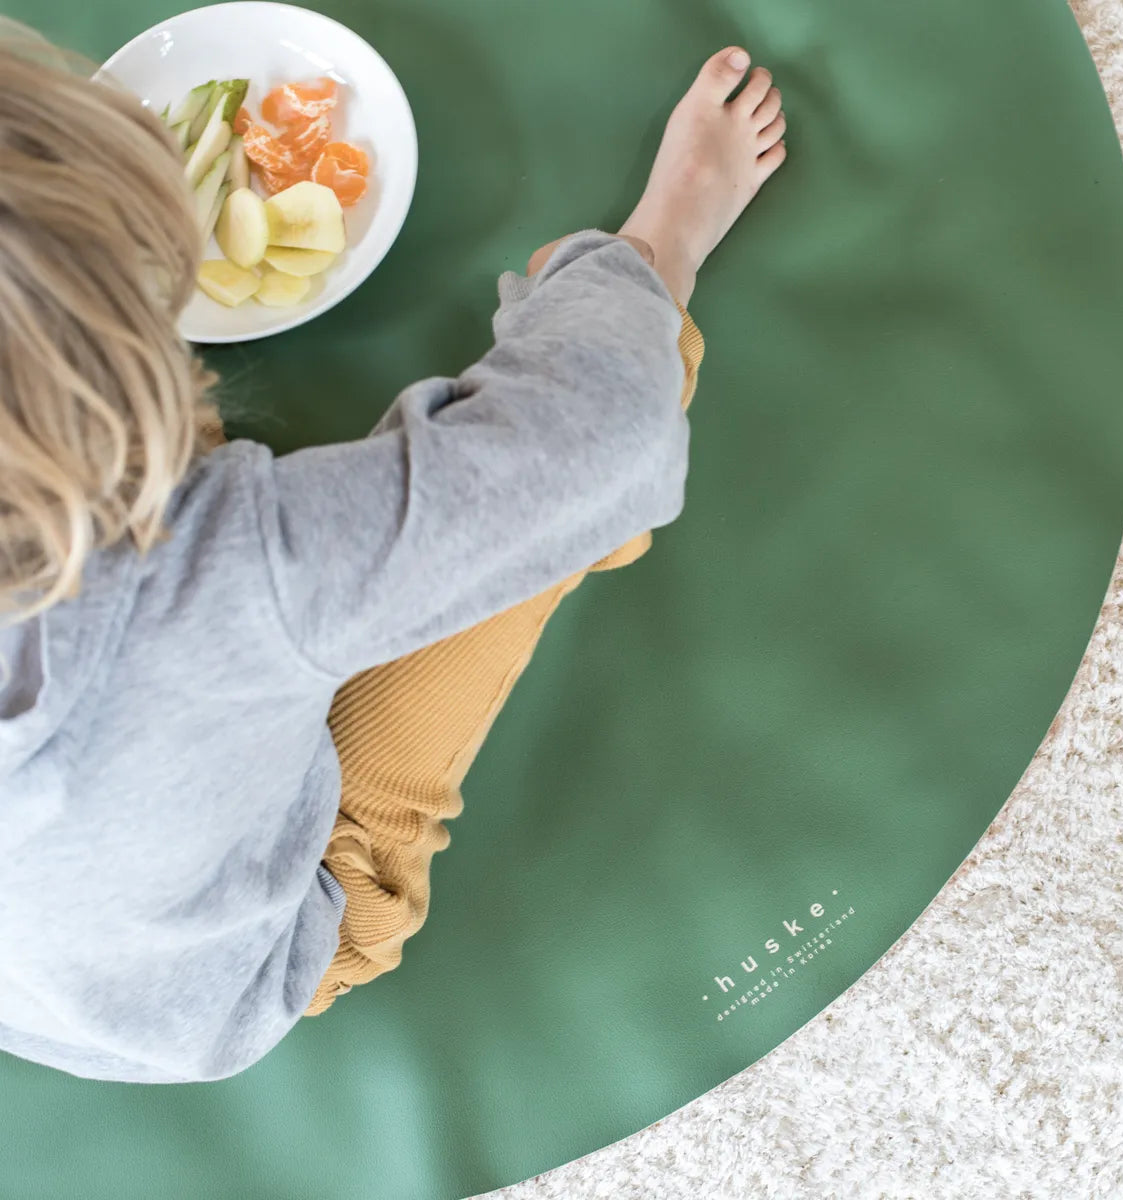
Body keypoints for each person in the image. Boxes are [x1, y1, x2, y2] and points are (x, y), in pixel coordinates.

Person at [0, 29, 786, 1083]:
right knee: (529, 531)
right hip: (249, 958)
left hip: (39, 985)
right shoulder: (228, 569)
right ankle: (663, 252)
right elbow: (607, 439)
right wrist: (611, 277)